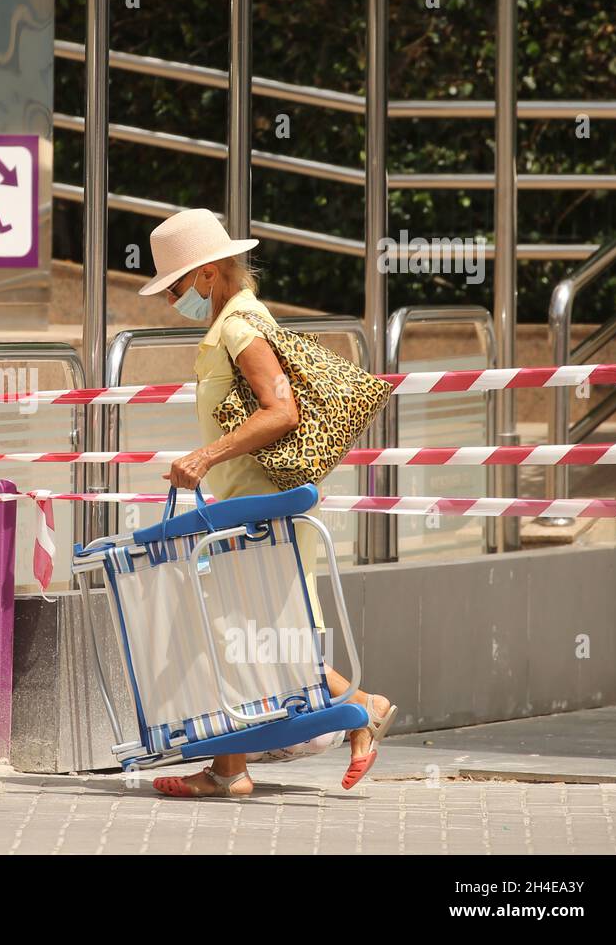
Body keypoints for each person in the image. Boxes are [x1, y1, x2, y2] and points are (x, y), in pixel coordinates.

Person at [136, 208, 397, 797]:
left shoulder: (238, 325)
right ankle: (351, 713)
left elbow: (282, 411)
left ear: (205, 275)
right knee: (249, 634)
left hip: (261, 511)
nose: (173, 298)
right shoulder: (233, 319)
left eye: (175, 286)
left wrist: (205, 457)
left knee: (241, 634)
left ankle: (238, 769)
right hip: (253, 509)